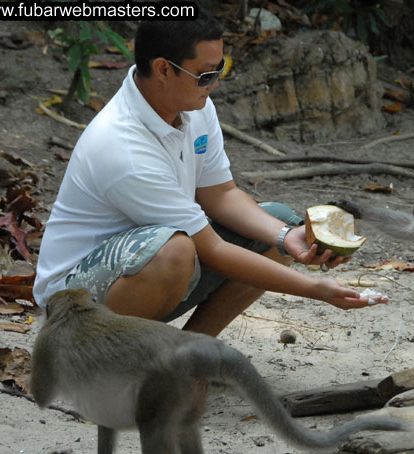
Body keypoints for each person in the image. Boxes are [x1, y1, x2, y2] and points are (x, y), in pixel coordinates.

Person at [33, 10, 385, 337]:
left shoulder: (195, 107)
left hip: (146, 272)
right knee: (175, 251)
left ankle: (192, 352)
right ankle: (125, 363)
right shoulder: (120, 144)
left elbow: (221, 194)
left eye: (221, 69)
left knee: (278, 222)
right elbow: (212, 250)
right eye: (206, 74)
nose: (215, 83)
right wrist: (315, 289)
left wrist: (284, 238)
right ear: (163, 69)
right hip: (73, 311)